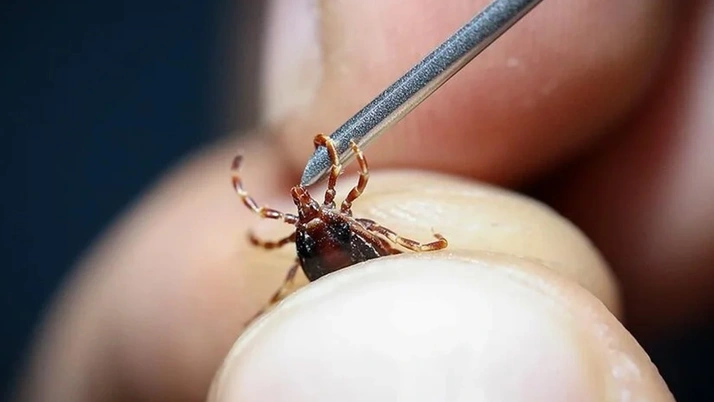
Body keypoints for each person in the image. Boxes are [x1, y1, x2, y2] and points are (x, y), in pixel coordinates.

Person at [14, 1, 713, 401]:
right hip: (345, 266)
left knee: (362, 245)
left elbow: (292, 214)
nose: (308, 215)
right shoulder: (328, 219)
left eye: (309, 214)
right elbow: (311, 213)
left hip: (340, 267)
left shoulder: (319, 221)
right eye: (305, 217)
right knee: (347, 247)